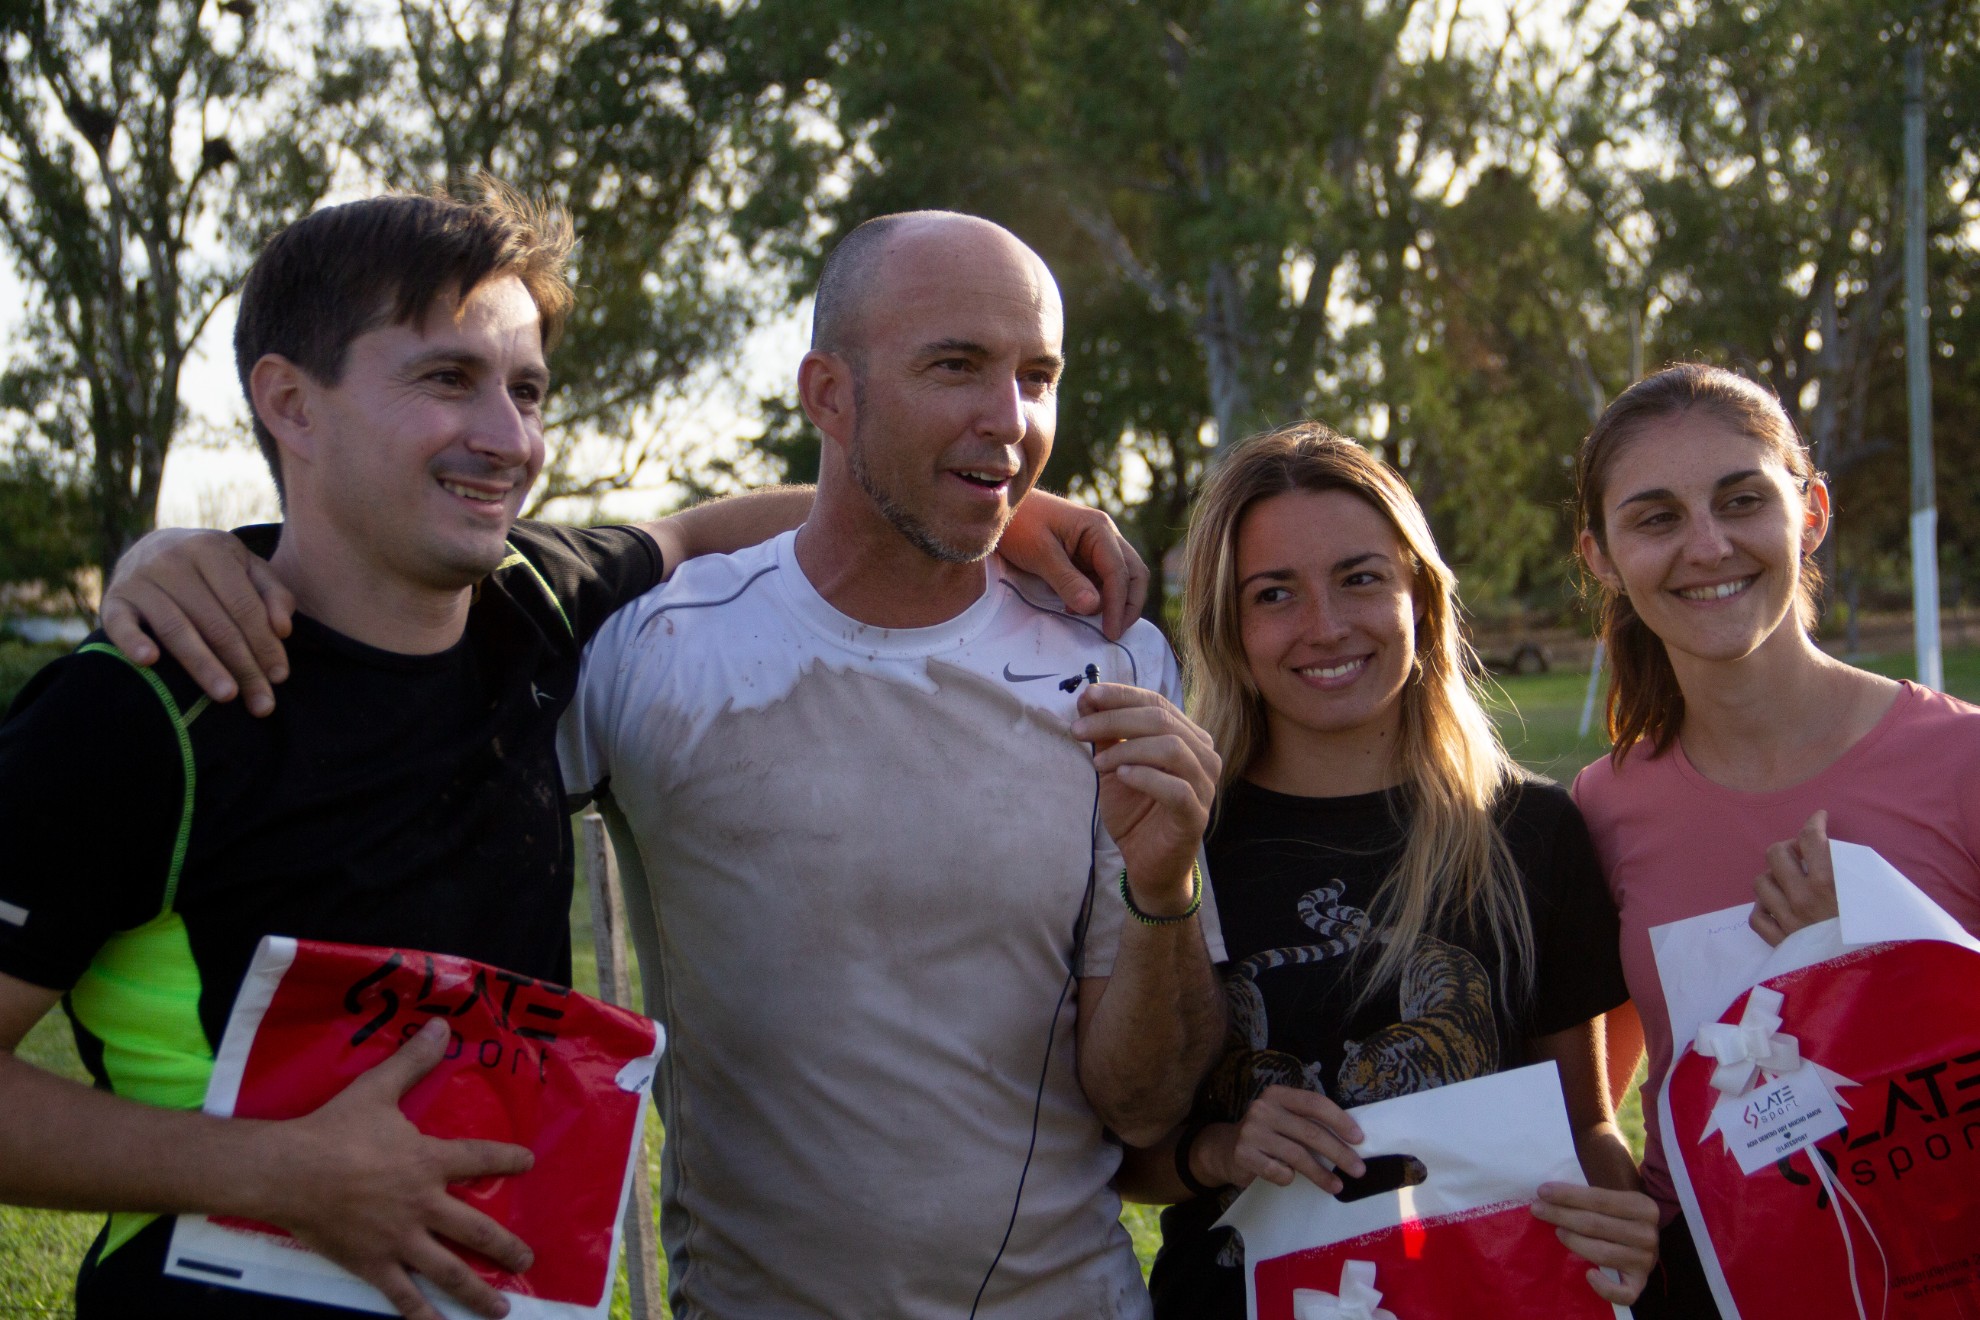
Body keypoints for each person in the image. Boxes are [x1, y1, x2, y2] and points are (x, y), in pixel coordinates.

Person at [0, 185, 1143, 1320]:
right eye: (448, 379)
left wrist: (997, 512)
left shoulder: (540, 608)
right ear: (289, 404)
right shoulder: (145, 707)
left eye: (527, 390)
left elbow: (707, 529)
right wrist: (279, 1174)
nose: (507, 438)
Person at [557, 209, 1228, 1317]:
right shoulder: (657, 648)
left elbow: (1147, 1107)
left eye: (1037, 375)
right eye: (956, 365)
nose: (1008, 419)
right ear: (828, 393)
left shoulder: (1114, 659)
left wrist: (1165, 893)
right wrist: (201, 566)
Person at [1116, 422, 1660, 1317]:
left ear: (1420, 594)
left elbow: (1583, 1121)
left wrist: (1624, 1224)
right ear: (1230, 625)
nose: (1324, 627)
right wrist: (1222, 1150)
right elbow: (1118, 1143)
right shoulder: (1180, 839)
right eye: (1275, 594)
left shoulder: (1529, 830)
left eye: (1360, 578)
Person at [1570, 362, 1980, 1318]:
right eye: (1657, 516)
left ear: (1813, 510)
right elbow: (1610, 1095)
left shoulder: (1960, 760)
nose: (1707, 546)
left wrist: (1876, 950)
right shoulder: (1600, 807)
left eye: (1741, 499)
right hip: (1714, 1284)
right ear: (1599, 554)